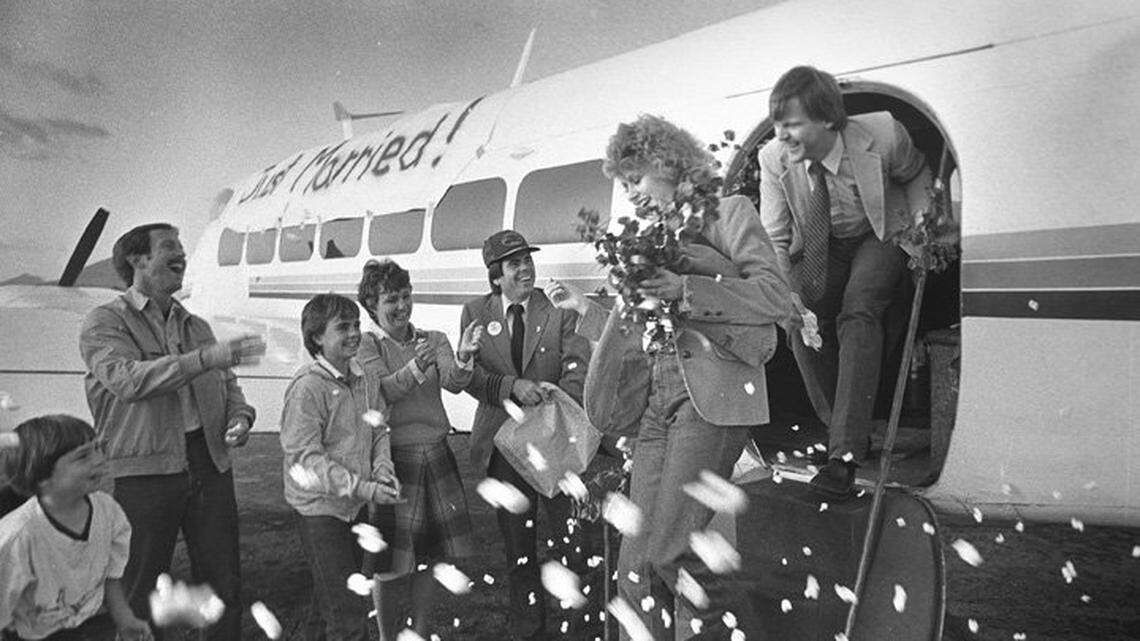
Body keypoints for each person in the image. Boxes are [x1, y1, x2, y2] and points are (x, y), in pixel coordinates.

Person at [552, 114, 792, 640]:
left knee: (672, 550)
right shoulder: (646, 237)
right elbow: (634, 328)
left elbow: (774, 296)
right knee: (634, 569)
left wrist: (685, 288)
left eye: (635, 180)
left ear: (666, 165)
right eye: (623, 185)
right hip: (655, 404)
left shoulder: (731, 212)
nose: (631, 194)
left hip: (708, 400)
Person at [79, 223, 265, 640]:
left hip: (208, 461)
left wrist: (240, 417)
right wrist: (206, 357)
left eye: (181, 247)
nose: (181, 254)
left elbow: (227, 384)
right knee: (142, 590)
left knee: (222, 584)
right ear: (137, 260)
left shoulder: (195, 326)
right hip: (142, 471)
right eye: (169, 247)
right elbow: (127, 380)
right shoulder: (104, 322)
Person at [758, 66, 932, 497]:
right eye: (778, 125)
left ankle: (845, 455)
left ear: (829, 120)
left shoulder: (885, 135)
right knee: (800, 327)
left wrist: (923, 229)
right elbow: (775, 237)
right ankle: (845, 431)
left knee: (858, 310)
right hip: (820, 243)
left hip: (879, 234)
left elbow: (916, 174)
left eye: (793, 124)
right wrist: (788, 298)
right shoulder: (771, 159)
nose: (783, 135)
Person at [459, 230, 602, 641]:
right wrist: (511, 387)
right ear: (495, 276)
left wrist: (552, 403)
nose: (525, 269)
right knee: (518, 552)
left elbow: (578, 369)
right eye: (513, 264)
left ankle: (577, 630)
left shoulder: (556, 309)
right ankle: (528, 631)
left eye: (527, 260)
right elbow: (471, 377)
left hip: (554, 445)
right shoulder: (473, 312)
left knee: (571, 545)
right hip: (502, 450)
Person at [355, 259, 482, 640]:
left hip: (437, 455)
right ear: (371, 305)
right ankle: (387, 636)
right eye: (391, 299)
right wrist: (414, 367)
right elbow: (382, 392)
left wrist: (463, 355)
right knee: (391, 565)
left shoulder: (434, 338)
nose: (401, 306)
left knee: (431, 559)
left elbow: (455, 383)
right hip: (394, 460)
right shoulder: (366, 344)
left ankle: (422, 633)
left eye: (406, 296)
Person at [280, 293, 402, 641]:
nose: (354, 334)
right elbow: (306, 460)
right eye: (343, 327)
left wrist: (382, 468)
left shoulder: (365, 379)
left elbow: (379, 428)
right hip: (320, 512)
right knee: (349, 614)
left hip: (355, 508)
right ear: (317, 337)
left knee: (329, 605)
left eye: (357, 325)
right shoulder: (307, 388)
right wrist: (366, 488)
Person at [0, 414, 152, 641]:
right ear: (42, 476)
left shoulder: (107, 510)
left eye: (97, 448)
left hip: (91, 627)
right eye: (83, 457)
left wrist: (124, 618)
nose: (100, 460)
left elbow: (110, 574)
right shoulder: (16, 537)